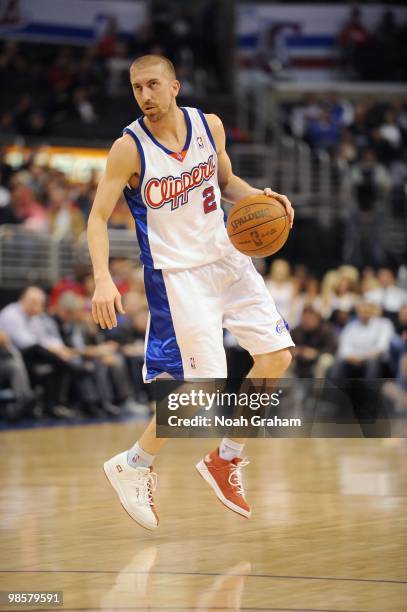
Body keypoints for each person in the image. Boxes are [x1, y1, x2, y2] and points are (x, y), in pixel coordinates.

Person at [87, 54, 295, 530]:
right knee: (201, 387)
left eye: (153, 85)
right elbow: (97, 217)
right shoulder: (129, 148)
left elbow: (225, 182)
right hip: (178, 274)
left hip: (227, 257)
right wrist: (103, 278)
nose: (145, 95)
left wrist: (263, 200)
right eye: (137, 88)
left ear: (175, 86)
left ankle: (224, 459)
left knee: (277, 357)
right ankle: (133, 464)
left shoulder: (210, 126)